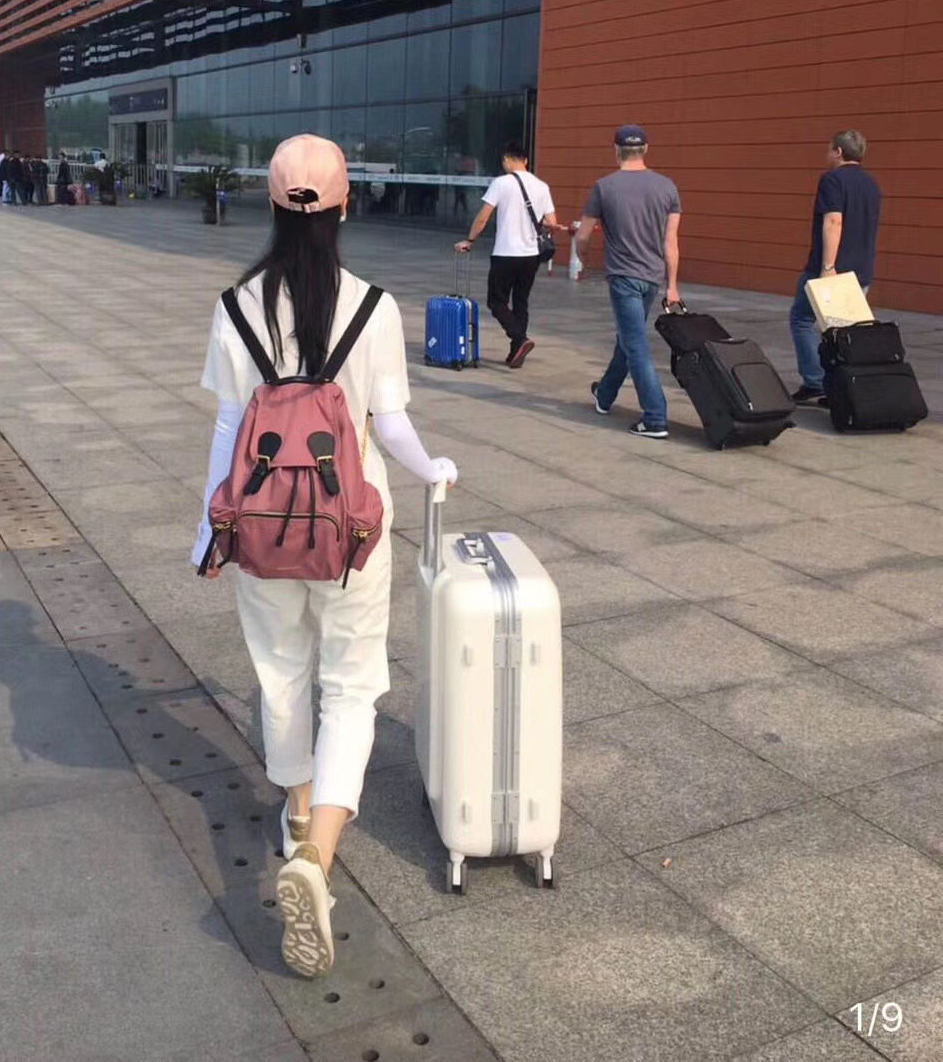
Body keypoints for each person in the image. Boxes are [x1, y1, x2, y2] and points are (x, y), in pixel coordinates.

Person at [191, 135, 456, 979]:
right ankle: (319, 856)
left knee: (280, 676)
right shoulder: (374, 307)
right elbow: (392, 425)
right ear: (345, 205)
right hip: (350, 535)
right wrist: (433, 469)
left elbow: (229, 430)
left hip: (262, 533)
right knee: (350, 685)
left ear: (271, 205)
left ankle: (299, 812)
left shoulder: (234, 307)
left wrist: (209, 530)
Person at [574, 125, 682, 439]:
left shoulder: (604, 186)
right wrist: (672, 286)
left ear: (616, 150)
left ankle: (655, 418)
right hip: (652, 278)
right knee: (628, 338)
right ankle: (604, 395)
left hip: (624, 278)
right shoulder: (667, 187)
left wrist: (583, 257)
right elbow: (671, 242)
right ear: (645, 150)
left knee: (635, 345)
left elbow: (582, 235)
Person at [787, 130, 881, 405]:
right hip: (861, 270)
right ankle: (843, 388)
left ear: (838, 151)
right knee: (845, 333)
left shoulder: (833, 180)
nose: (827, 154)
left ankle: (815, 382)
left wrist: (828, 266)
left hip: (832, 269)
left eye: (829, 149)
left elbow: (833, 221)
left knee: (802, 319)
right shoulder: (871, 184)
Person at [454, 140, 562, 368]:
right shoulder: (542, 186)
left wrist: (469, 240)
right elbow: (552, 222)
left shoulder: (501, 183)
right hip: (531, 255)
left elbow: (483, 217)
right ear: (526, 161)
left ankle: (520, 339)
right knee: (521, 302)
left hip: (505, 253)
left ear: (506, 160)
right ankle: (516, 353)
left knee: (496, 302)